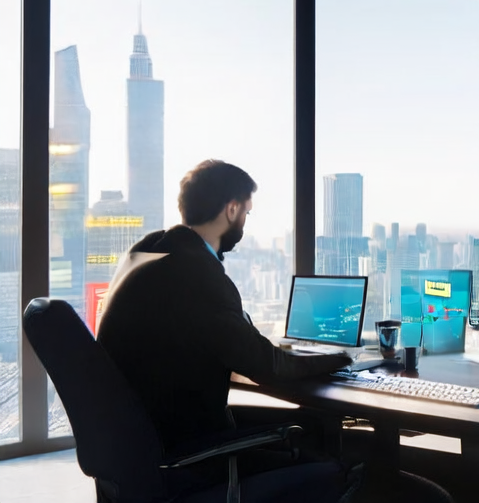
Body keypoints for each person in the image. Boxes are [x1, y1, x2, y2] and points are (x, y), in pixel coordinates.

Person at [97, 160, 354, 498]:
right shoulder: (195, 272)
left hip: (136, 450)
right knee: (331, 451)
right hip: (183, 456)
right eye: (246, 212)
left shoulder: (148, 251)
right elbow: (271, 368)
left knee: (305, 428)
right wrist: (344, 359)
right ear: (231, 209)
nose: (245, 222)